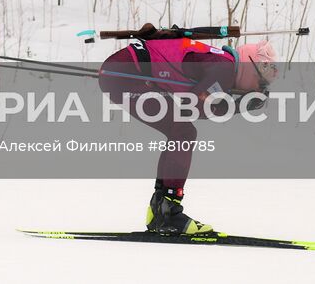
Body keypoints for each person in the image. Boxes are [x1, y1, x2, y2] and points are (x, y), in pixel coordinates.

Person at [98, 31, 276, 235]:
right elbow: (193, 106)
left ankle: (161, 211)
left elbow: (193, 105)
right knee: (183, 132)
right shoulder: (225, 70)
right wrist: (239, 106)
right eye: (260, 82)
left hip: (122, 72)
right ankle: (168, 213)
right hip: (126, 75)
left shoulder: (222, 63)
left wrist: (237, 104)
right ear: (248, 67)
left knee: (181, 130)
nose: (258, 88)